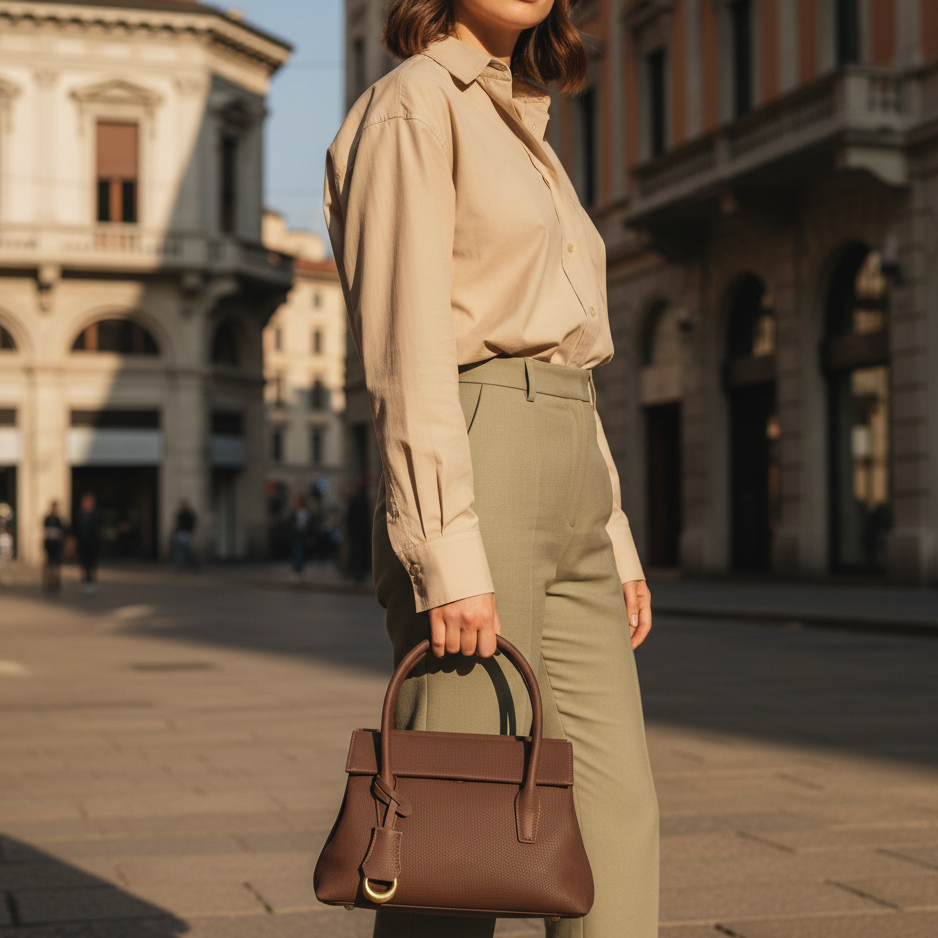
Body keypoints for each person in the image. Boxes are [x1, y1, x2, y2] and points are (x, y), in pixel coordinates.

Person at [324, 2, 658, 936]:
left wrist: (616, 535)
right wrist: (444, 550)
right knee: (455, 838)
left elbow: (569, 357)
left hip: (570, 469)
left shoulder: (525, 125)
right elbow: (405, 346)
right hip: (477, 462)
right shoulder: (413, 106)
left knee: (614, 816)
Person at [75, 493, 99, 593]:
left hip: (92, 543)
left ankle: (91, 582)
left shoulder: (95, 514)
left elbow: (97, 529)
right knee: (83, 563)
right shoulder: (80, 514)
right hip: (82, 543)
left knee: (92, 564)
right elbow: (77, 529)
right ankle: (84, 581)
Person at [42, 501, 66, 594]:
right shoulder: (48, 518)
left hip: (56, 545)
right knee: (49, 564)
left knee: (56, 565)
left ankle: (56, 582)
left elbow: (61, 531)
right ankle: (49, 582)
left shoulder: (58, 519)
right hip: (49, 544)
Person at [171, 500, 197, 569]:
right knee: (179, 549)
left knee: (185, 549)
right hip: (180, 532)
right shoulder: (180, 514)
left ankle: (191, 563)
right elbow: (177, 523)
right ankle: (179, 564)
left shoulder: (189, 514)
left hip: (185, 532)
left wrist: (189, 531)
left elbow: (191, 524)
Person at [291, 495, 311, 577]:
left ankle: (300, 568)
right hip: (296, 534)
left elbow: (311, 523)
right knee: (297, 552)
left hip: (304, 534)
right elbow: (290, 523)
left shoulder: (307, 512)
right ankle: (296, 569)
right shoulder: (294, 512)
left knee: (302, 552)